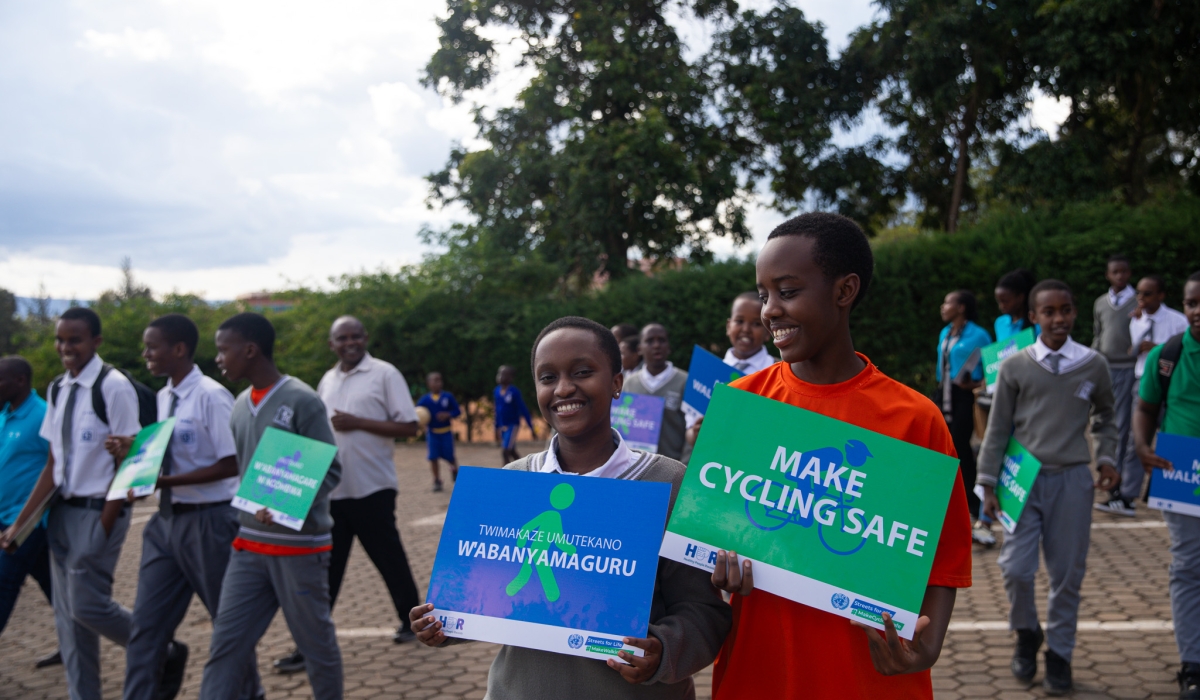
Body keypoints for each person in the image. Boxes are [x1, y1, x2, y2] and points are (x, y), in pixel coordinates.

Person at [708, 213, 973, 700]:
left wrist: (928, 646)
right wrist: (716, 566)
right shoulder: (741, 406)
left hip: (869, 676)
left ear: (844, 291)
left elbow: (943, 556)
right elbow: (713, 532)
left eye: (787, 291)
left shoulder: (914, 419)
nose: (769, 311)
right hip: (762, 670)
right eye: (763, 294)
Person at [409, 315, 731, 699]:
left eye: (582, 371)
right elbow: (481, 599)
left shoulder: (668, 482)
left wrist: (662, 651)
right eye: (548, 378)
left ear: (616, 383)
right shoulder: (513, 481)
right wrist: (443, 622)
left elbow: (702, 611)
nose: (564, 388)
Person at [107, 314, 261, 700]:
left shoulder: (210, 395)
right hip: (166, 524)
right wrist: (137, 455)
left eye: (152, 346)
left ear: (179, 349)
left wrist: (164, 482)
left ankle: (248, 693)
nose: (146, 354)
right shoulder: (164, 396)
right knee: (146, 627)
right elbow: (167, 454)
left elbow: (233, 462)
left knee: (227, 626)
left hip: (210, 523)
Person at [977, 279, 1119, 696]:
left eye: (1066, 310)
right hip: (1022, 480)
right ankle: (1026, 632)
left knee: (1067, 575)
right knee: (1015, 569)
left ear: (1075, 313)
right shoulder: (1016, 366)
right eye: (1049, 312)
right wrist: (986, 482)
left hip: (1073, 479)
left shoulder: (1094, 364)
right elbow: (998, 427)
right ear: (1034, 317)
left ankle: (1060, 654)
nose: (1059, 318)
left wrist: (1107, 456)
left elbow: (1107, 416)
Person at [198, 313, 343, 700]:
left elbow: (331, 471)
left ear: (250, 350)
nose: (219, 358)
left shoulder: (301, 399)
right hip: (248, 545)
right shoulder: (239, 403)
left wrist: (283, 504)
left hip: (299, 548)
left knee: (316, 648)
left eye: (223, 349)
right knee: (225, 647)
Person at [0, 308, 140, 700]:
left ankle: (156, 644)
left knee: (87, 607)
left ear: (95, 341)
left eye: (75, 339)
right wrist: (21, 522)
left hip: (99, 512)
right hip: (61, 513)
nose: (66, 347)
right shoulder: (58, 388)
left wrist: (107, 525)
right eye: (61, 339)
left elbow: (130, 462)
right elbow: (52, 464)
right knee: (69, 622)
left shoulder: (113, 386)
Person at [271, 317, 420, 673]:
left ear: (365, 338)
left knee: (390, 560)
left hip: (373, 488)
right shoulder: (327, 379)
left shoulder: (384, 373)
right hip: (332, 492)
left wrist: (359, 422)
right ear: (332, 343)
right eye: (342, 338)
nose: (350, 342)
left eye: (356, 336)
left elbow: (410, 426)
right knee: (325, 572)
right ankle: (308, 646)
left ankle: (411, 622)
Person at [1132, 270, 1200, 699]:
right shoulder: (1167, 354)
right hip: (1182, 473)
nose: (1198, 311)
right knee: (1188, 566)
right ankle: (1192, 664)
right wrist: (1141, 445)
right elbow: (1145, 407)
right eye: (1193, 303)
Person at [1098, 274, 1189, 515]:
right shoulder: (1136, 320)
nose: (1141, 298)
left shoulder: (1178, 320)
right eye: (1139, 293)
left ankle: (1177, 490)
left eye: (1148, 294)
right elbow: (1134, 350)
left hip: (1172, 384)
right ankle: (1128, 495)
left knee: (1174, 437)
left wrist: (1157, 346)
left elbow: (1185, 348)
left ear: (1161, 295)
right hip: (1143, 381)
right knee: (1135, 440)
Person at [0, 356, 60, 667]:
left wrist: (22, 521)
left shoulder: (41, 416)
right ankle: (72, 642)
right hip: (4, 517)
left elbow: (55, 468)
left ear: (21, 381)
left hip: (28, 523)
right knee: (53, 585)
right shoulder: (5, 414)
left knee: (3, 584)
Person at [935, 290, 993, 545]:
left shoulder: (979, 335)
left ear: (961, 307)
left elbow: (991, 369)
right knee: (940, 449)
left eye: (948, 302)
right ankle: (946, 504)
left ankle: (974, 504)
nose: (943, 306)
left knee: (961, 451)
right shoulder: (945, 332)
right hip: (943, 395)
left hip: (964, 398)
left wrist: (976, 384)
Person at [1090, 256, 1137, 516]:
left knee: (1124, 427)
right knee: (1110, 422)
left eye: (1123, 271)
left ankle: (1123, 487)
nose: (1119, 276)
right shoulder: (1100, 302)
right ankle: (1114, 482)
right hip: (1106, 368)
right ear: (1108, 275)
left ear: (1129, 273)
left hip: (1129, 368)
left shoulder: (1137, 301)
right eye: (1114, 272)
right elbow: (1098, 333)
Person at [621, 324, 687, 461]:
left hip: (674, 467)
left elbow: (692, 429)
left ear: (668, 347)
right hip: (637, 468)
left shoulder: (684, 382)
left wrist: (685, 464)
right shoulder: (628, 384)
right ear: (639, 349)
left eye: (662, 340)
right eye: (650, 341)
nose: (656, 345)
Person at [417, 372, 461, 492]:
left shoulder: (448, 397)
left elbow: (457, 411)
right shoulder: (425, 400)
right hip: (432, 433)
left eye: (439, 380)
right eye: (434, 381)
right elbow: (418, 413)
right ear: (429, 384)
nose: (438, 383)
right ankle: (437, 480)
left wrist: (448, 414)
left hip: (446, 432)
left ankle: (454, 471)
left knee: (450, 456)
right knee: (433, 457)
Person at [723, 292, 775, 374]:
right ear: (728, 327)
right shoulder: (711, 371)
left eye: (756, 324)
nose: (746, 329)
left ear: (768, 332)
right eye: (739, 321)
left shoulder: (778, 372)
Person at [494, 365, 535, 464]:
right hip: (503, 426)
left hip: (513, 425)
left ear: (510, 378)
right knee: (511, 450)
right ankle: (524, 470)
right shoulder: (496, 391)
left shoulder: (514, 392)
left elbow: (523, 409)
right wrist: (496, 428)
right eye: (499, 374)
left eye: (503, 374)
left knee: (505, 451)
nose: (500, 376)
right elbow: (496, 411)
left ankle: (505, 476)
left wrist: (531, 427)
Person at [994, 268, 1039, 340]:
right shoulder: (1000, 323)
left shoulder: (1037, 324)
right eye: (998, 301)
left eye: (1005, 301)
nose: (1001, 306)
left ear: (1020, 297)